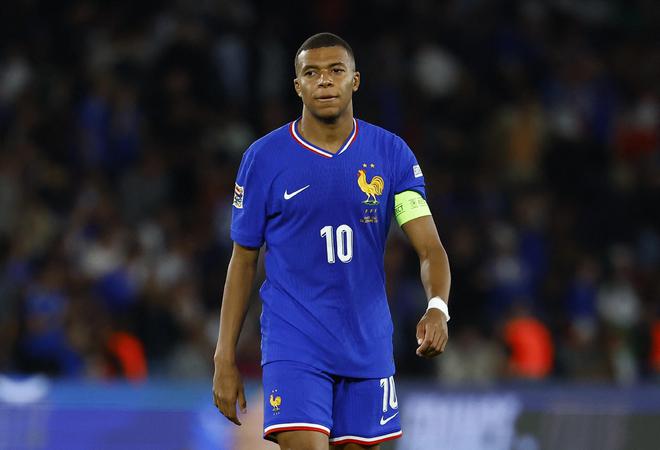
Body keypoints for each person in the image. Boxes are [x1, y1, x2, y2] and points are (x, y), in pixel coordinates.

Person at [212, 32, 451, 450]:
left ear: (355, 80)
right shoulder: (263, 159)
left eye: (336, 70)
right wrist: (224, 355)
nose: (324, 80)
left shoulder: (391, 154)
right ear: (297, 86)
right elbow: (243, 260)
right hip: (294, 341)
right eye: (312, 73)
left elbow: (429, 248)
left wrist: (437, 308)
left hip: (366, 342)